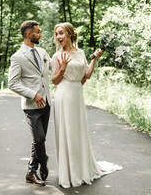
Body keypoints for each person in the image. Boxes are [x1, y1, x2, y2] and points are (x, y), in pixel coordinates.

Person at [52, 22, 122, 188]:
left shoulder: (80, 52)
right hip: (63, 94)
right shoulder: (56, 56)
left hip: (77, 94)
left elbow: (87, 75)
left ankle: (82, 169)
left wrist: (95, 58)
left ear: (69, 34)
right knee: (67, 132)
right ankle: (69, 173)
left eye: (61, 33)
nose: (58, 37)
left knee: (78, 132)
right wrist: (62, 68)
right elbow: (55, 81)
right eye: (56, 34)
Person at [8, 20, 52, 186]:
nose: (40, 34)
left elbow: (51, 70)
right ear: (29, 34)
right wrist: (33, 95)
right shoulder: (17, 57)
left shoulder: (42, 52)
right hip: (31, 106)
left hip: (46, 102)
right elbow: (12, 83)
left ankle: (31, 173)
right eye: (38, 32)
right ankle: (43, 159)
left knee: (38, 140)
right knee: (39, 139)